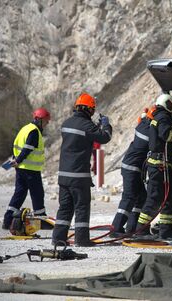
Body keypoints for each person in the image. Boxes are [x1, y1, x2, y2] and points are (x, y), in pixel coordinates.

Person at [52, 92, 112, 247]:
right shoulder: (87, 125)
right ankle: (82, 240)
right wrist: (105, 123)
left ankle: (58, 238)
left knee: (64, 208)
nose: (93, 112)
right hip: (79, 176)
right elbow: (104, 137)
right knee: (82, 207)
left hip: (64, 175)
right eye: (92, 109)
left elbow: (81, 138)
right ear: (87, 109)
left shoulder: (66, 123)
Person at [136, 93, 172, 239]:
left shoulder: (157, 116)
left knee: (170, 199)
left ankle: (166, 230)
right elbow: (166, 135)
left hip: (162, 166)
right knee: (154, 199)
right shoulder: (163, 117)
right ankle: (140, 230)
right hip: (159, 166)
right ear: (168, 105)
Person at [2, 108, 51, 230]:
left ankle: (7, 220)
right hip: (30, 169)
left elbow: (16, 146)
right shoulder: (34, 131)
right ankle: (41, 220)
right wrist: (18, 160)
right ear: (39, 120)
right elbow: (27, 149)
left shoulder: (25, 128)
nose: (47, 123)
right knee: (37, 194)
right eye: (46, 121)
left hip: (21, 169)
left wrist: (15, 161)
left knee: (19, 194)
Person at [110, 108, 152, 236]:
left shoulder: (143, 125)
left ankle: (132, 228)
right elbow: (157, 143)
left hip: (132, 167)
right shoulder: (149, 131)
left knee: (141, 197)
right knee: (129, 198)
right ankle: (116, 228)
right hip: (132, 168)